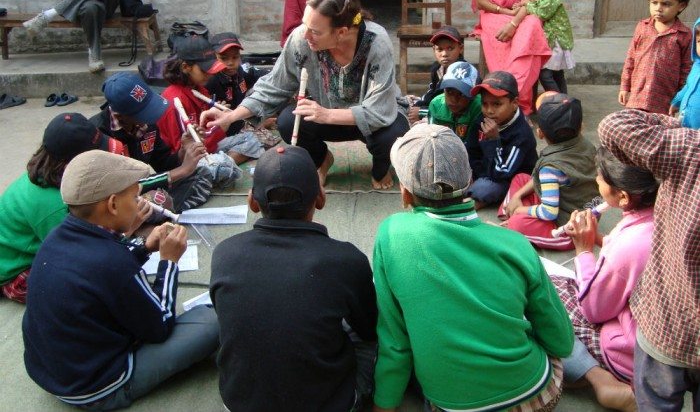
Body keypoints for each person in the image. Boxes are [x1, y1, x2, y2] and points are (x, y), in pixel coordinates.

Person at [372, 123, 573, 412]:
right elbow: (562, 343)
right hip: (533, 395)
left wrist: (384, 405)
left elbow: (395, 341)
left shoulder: (391, 234)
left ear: (405, 194)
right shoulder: (514, 243)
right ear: (469, 180)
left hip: (452, 405)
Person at [22, 150, 219, 410]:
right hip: (97, 388)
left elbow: (100, 278)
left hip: (50, 373)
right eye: (134, 196)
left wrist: (144, 248)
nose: (139, 203)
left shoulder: (57, 236)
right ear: (113, 204)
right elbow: (160, 327)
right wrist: (169, 261)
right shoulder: (112, 261)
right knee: (214, 318)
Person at [210, 145, 377, 411]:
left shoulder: (224, 252)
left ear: (252, 201)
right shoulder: (347, 260)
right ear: (321, 197)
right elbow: (369, 328)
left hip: (239, 402)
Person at [201, 0, 410, 190]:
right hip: (324, 115)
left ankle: (380, 169)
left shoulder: (377, 43)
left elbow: (378, 111)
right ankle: (322, 159)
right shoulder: (302, 38)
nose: (306, 35)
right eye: (305, 25)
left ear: (342, 32)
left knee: (394, 133)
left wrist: (327, 115)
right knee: (287, 121)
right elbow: (274, 86)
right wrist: (231, 117)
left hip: (372, 122)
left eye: (316, 31)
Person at [598, 109, 700, 410]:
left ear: (624, 196)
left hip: (668, 329)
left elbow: (614, 125)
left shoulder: (690, 151)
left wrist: (679, 123)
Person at [551, 146, 657, 412]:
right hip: (648, 337)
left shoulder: (632, 244)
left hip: (627, 350)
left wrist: (583, 250)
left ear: (622, 196)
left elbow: (594, 310)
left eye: (600, 177)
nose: (596, 181)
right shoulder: (659, 216)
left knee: (541, 300)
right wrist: (596, 239)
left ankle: (601, 379)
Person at [0, 112, 121, 303]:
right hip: (16, 272)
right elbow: (76, 255)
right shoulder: (55, 204)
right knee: (91, 284)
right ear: (72, 164)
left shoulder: (51, 174)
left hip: (33, 251)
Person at [92, 72, 213, 212]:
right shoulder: (100, 135)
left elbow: (162, 164)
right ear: (120, 116)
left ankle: (162, 212)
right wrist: (182, 171)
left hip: (144, 185)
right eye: (143, 112)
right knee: (158, 199)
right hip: (120, 197)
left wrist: (183, 150)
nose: (150, 116)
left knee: (201, 173)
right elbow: (124, 186)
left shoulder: (147, 124)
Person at [501, 93, 598, 250]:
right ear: (581, 127)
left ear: (540, 133)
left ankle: (512, 219)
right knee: (521, 178)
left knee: (518, 222)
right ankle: (514, 214)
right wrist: (518, 195)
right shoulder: (587, 145)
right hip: (582, 212)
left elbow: (549, 212)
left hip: (569, 231)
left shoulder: (550, 168)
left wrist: (520, 209)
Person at [158, 36, 244, 188]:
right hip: (188, 161)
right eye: (205, 70)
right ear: (186, 67)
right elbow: (185, 152)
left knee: (250, 139)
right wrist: (220, 129)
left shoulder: (199, 88)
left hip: (208, 148)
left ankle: (221, 166)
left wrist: (217, 115)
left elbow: (203, 128)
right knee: (220, 168)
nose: (210, 74)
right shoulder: (174, 101)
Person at [618, 0, 693, 114]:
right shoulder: (642, 27)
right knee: (635, 126)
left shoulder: (684, 35)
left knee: (658, 131)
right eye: (654, 2)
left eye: (666, 4)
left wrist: (679, 98)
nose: (658, 8)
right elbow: (630, 60)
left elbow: (686, 69)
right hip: (637, 95)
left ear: (681, 6)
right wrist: (624, 87)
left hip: (665, 99)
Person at [466, 71, 537, 209]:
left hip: (509, 178)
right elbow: (472, 151)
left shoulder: (521, 134)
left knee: (484, 189)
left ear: (515, 103)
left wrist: (493, 141)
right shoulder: (482, 119)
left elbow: (503, 173)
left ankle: (480, 197)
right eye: (484, 104)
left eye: (497, 104)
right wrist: (476, 174)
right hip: (486, 171)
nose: (489, 110)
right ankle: (474, 191)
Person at [512, 0, 575, 93]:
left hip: (555, 41)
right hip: (555, 40)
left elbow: (542, 13)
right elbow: (537, 6)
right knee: (557, 73)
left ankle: (556, 99)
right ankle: (564, 99)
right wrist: (524, 3)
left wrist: (527, 3)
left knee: (545, 73)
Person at [203, 32, 266, 164]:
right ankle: (219, 164)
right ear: (214, 57)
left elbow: (263, 75)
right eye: (224, 58)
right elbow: (204, 119)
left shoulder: (241, 72)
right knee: (257, 142)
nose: (230, 63)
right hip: (221, 134)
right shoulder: (210, 82)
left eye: (235, 57)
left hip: (239, 125)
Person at [406, 25, 466, 124]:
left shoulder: (461, 73)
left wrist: (422, 111)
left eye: (450, 48)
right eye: (440, 49)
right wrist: (419, 105)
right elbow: (433, 91)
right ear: (433, 49)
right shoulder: (438, 68)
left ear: (461, 48)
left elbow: (455, 104)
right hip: (437, 107)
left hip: (456, 116)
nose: (444, 54)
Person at [427, 61, 481, 143]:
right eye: (449, 92)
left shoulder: (479, 107)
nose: (454, 100)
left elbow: (474, 145)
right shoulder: (436, 105)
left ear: (473, 95)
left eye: (462, 94)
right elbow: (432, 140)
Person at [670, 17, 700, 128]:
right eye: (699, 41)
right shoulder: (696, 67)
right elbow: (688, 86)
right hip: (687, 122)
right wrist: (676, 101)